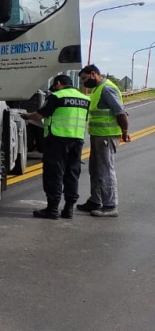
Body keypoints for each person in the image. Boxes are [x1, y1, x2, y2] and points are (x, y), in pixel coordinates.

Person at [23, 74, 89, 219]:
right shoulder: (85, 98)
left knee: (54, 173)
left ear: (58, 83)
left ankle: (52, 209)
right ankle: (69, 209)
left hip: (57, 139)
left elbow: (40, 115)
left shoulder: (57, 96)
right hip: (77, 139)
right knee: (72, 173)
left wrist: (26, 116)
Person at [77, 64, 130, 218]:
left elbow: (120, 112)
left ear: (93, 74)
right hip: (98, 135)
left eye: (85, 79)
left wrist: (125, 131)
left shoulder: (107, 89)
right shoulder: (98, 89)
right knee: (95, 170)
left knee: (106, 171)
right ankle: (95, 201)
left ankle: (110, 206)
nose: (83, 83)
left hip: (106, 135)